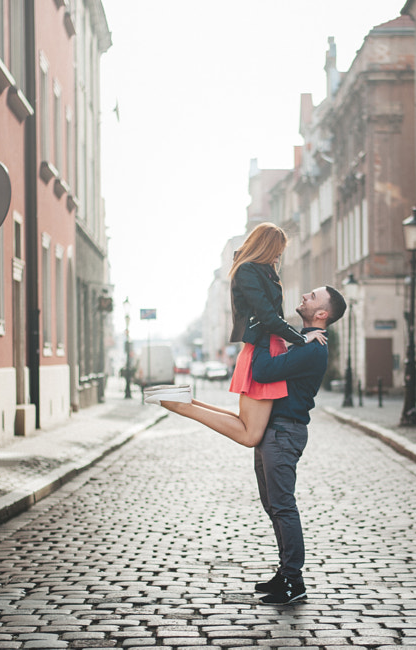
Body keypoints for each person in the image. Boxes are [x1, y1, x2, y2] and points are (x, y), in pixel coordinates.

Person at [144, 223, 325, 447]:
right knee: (250, 435)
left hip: (266, 346)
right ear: (265, 248)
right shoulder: (249, 270)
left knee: (244, 424)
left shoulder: (260, 270)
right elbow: (268, 316)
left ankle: (184, 401)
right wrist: (301, 338)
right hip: (265, 347)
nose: (278, 259)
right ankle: (182, 405)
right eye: (276, 253)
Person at [246, 285, 345, 605]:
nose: (304, 296)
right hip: (273, 431)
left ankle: (293, 580)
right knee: (273, 506)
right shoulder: (304, 342)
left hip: (284, 433)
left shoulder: (312, 348)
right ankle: (286, 572)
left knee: (283, 506)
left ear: (322, 314)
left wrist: (262, 328)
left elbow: (262, 371)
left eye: (313, 297)